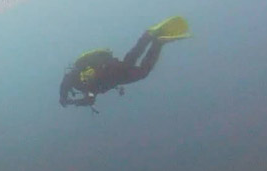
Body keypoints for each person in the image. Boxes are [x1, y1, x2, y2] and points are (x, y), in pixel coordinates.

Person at [59, 16, 190, 110]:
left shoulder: (84, 86)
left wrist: (70, 101)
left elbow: (89, 98)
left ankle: (157, 43)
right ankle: (148, 36)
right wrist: (63, 97)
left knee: (143, 72)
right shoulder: (74, 74)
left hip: (115, 76)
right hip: (113, 66)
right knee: (131, 58)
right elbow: (65, 85)